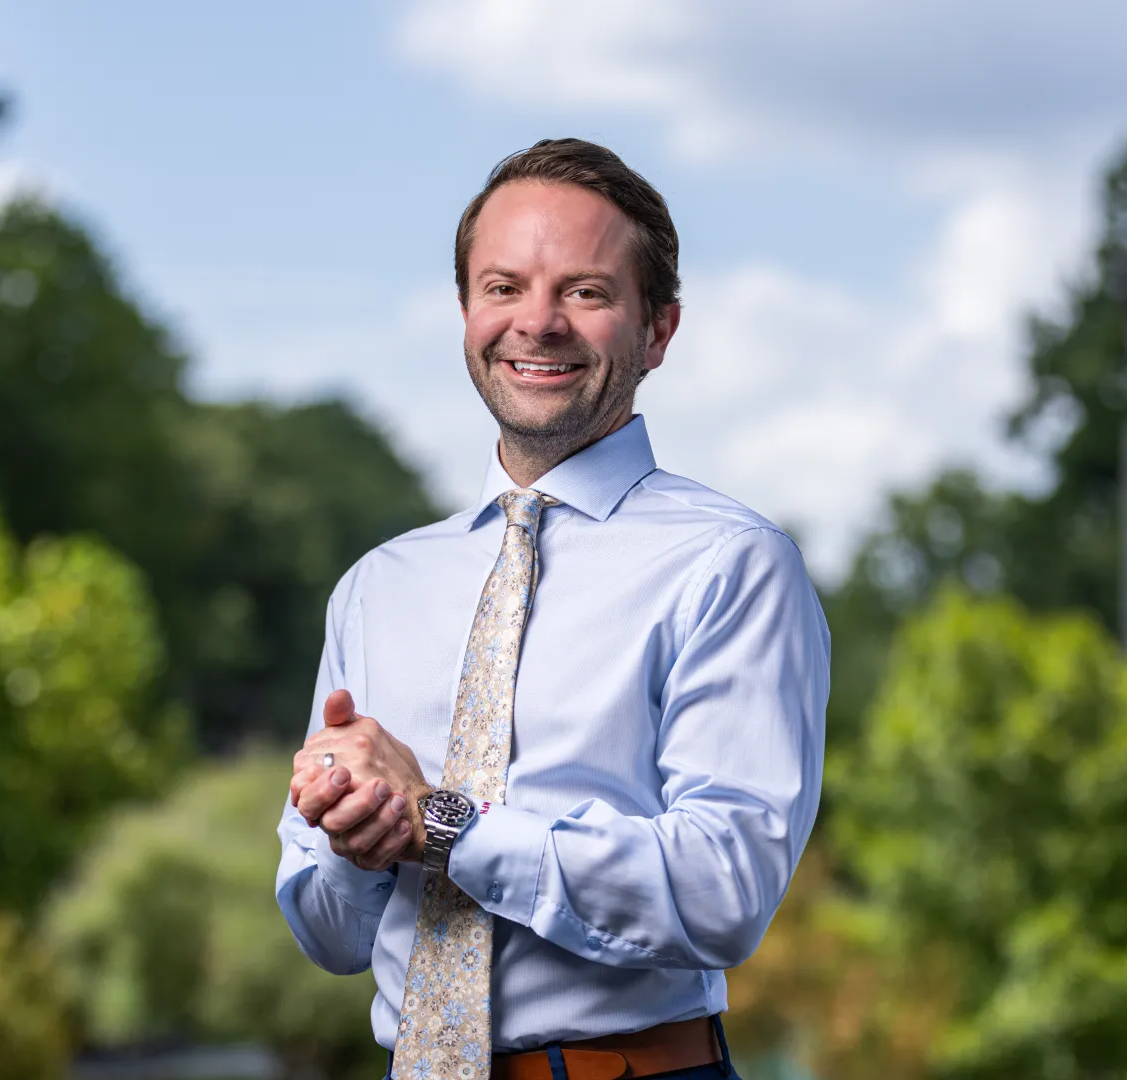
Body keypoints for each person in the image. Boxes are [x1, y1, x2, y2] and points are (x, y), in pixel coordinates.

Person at [275, 138, 829, 1080]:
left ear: (658, 331)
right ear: (464, 313)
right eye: (503, 287)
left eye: (586, 291)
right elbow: (329, 937)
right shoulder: (379, 588)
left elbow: (721, 891)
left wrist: (447, 825)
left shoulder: (731, 566)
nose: (538, 323)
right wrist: (354, 836)